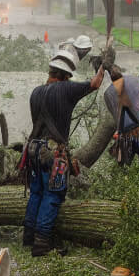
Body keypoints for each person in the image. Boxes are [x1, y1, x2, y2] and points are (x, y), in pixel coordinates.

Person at [22, 48, 105, 256]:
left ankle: (29, 236)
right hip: (53, 154)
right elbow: (95, 84)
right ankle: (42, 243)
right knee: (53, 196)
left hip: (33, 150)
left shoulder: (35, 92)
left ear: (51, 71)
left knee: (36, 193)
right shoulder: (66, 89)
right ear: (66, 75)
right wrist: (104, 65)